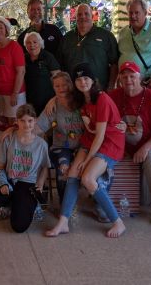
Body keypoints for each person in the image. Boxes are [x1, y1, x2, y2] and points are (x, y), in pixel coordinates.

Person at [46, 63, 125, 238]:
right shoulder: (80, 99)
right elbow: (62, 96)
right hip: (89, 141)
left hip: (109, 142)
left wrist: (87, 161)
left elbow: (100, 135)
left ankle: (117, 222)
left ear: (93, 80)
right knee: (72, 174)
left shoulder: (102, 99)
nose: (82, 82)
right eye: (79, 79)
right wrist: (53, 99)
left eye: (86, 78)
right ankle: (63, 222)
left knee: (88, 178)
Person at [108, 62, 151, 225]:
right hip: (127, 147)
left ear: (140, 78)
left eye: (132, 76)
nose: (128, 80)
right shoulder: (113, 96)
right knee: (103, 154)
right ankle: (106, 204)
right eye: (124, 76)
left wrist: (145, 148)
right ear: (120, 79)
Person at [0, 104, 50, 233]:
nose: (26, 125)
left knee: (19, 226)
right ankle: (13, 203)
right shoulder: (9, 138)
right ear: (16, 122)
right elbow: (0, 166)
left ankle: (24, 205)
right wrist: (3, 184)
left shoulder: (41, 144)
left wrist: (40, 184)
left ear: (35, 121)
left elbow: (45, 167)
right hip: (10, 180)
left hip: (28, 184)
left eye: (30, 121)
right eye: (22, 121)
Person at [37, 72, 83, 201]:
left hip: (83, 147)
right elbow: (37, 128)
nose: (61, 88)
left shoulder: (81, 101)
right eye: (57, 86)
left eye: (64, 84)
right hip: (61, 147)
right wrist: (15, 130)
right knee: (64, 168)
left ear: (71, 84)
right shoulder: (53, 106)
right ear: (53, 88)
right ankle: (65, 205)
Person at [56, 3, 119, 91]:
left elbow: (114, 63)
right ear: (75, 17)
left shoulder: (106, 36)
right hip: (74, 93)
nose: (83, 17)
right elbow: (60, 66)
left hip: (99, 91)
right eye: (79, 14)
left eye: (86, 14)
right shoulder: (67, 38)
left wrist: (111, 86)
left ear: (92, 16)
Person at [0, 16, 26, 124]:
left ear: (6, 30)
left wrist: (15, 93)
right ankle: (3, 142)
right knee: (1, 121)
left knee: (14, 123)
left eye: (1, 27)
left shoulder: (14, 46)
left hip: (14, 92)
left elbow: (21, 72)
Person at [23, 31, 60, 115]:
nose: (32, 45)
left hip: (48, 101)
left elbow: (58, 79)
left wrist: (55, 99)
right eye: (28, 43)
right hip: (29, 102)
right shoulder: (24, 58)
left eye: (35, 42)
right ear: (25, 46)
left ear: (40, 43)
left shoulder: (48, 57)